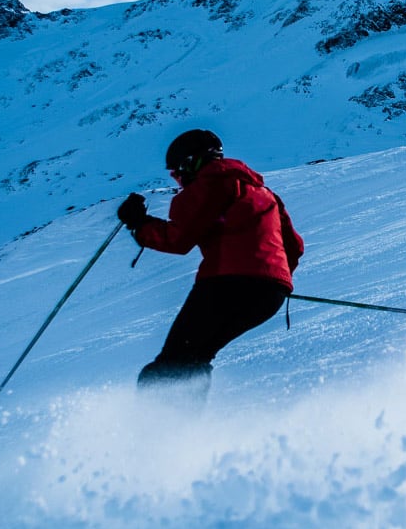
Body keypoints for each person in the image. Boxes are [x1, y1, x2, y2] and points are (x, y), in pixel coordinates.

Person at [117, 129, 304, 392]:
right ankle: (188, 426)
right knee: (194, 358)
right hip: (270, 294)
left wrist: (139, 225)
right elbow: (294, 247)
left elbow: (178, 240)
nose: (178, 180)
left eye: (177, 173)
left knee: (170, 364)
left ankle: (161, 425)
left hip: (225, 286)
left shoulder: (210, 183)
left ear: (191, 163)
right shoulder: (265, 193)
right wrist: (273, 281)